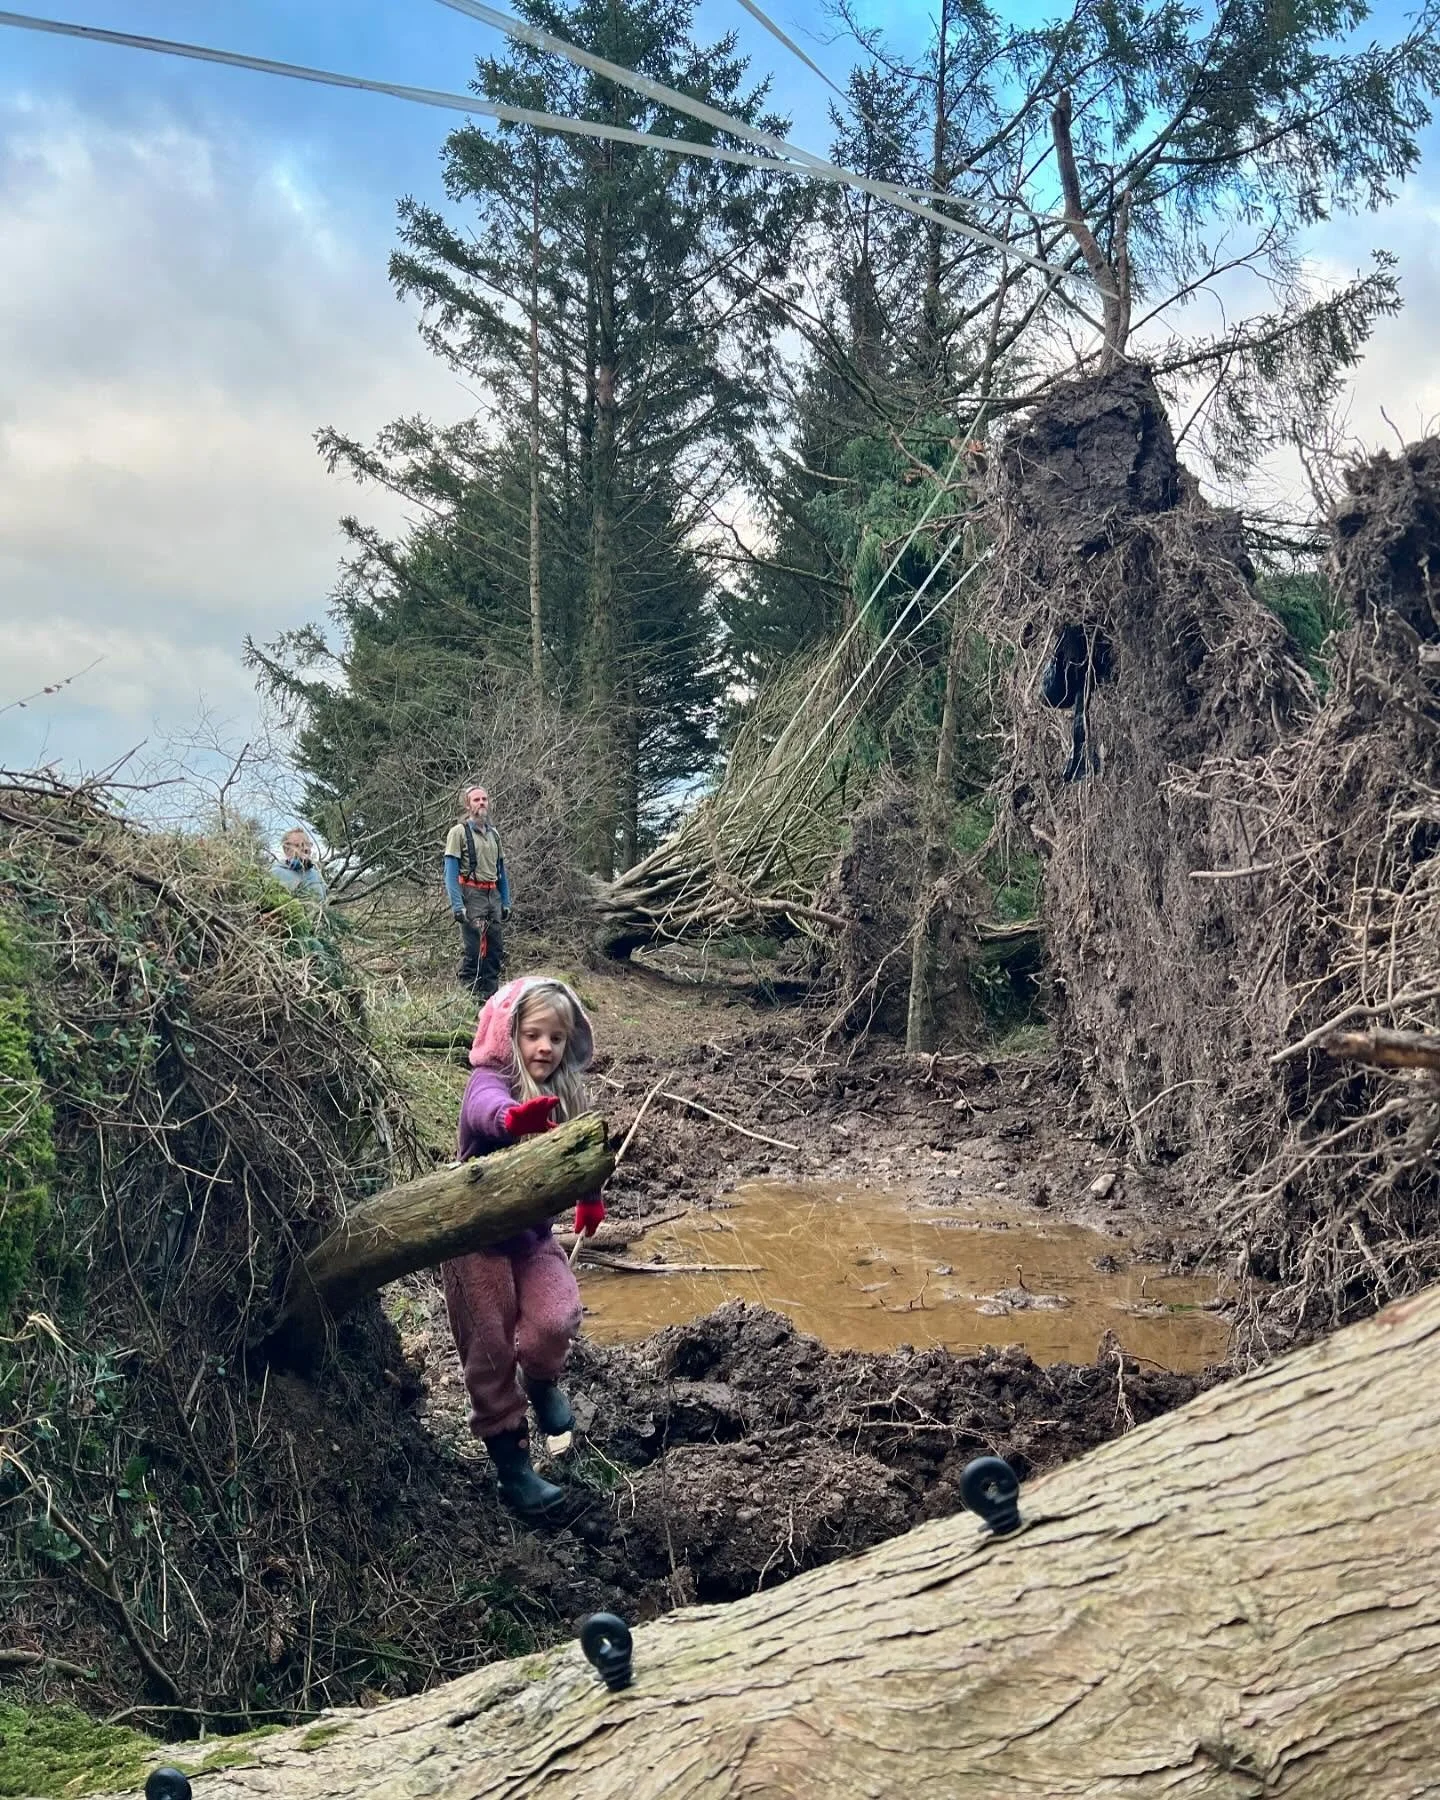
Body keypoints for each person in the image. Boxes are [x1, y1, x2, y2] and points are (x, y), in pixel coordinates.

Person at [441, 976, 607, 1518]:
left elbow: (581, 1147)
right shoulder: (491, 1080)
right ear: (509, 1035)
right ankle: (513, 1467)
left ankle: (540, 1380)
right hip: (476, 1241)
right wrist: (512, 1119)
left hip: (532, 1237)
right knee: (489, 1349)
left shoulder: (567, 1091)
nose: (544, 1048)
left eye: (556, 1038)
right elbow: (483, 1109)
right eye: (533, 1035)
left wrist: (589, 1197)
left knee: (556, 1317)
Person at [443, 786, 510, 999]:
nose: (481, 803)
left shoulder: (494, 835)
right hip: (471, 894)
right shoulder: (458, 832)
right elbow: (450, 872)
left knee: (495, 951)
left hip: (493, 895)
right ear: (467, 805)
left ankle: (490, 999)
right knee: (473, 951)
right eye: (476, 800)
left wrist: (506, 901)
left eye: (484, 799)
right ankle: (468, 999)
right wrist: (457, 905)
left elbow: (501, 871)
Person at [271, 828, 326, 901]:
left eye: (308, 844)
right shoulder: (276, 873)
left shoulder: (315, 874)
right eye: (298, 845)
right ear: (286, 849)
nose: (306, 848)